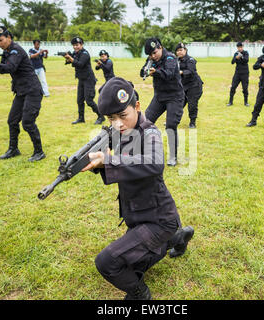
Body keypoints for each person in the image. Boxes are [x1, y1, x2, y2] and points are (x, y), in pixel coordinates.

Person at [80, 77, 194, 300]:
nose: (118, 124)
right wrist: (85, 161)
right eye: (111, 118)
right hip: (141, 215)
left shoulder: (149, 131)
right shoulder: (119, 131)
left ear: (137, 107)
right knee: (133, 261)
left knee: (108, 262)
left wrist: (108, 160)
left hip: (159, 219)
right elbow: (102, 146)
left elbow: (154, 162)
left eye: (123, 116)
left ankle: (140, 294)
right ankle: (178, 237)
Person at [0, 26, 45, 162]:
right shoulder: (7, 52)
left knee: (27, 122)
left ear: (9, 37)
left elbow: (10, 67)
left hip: (32, 90)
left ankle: (39, 152)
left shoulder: (16, 50)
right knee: (12, 120)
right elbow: (3, 70)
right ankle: (13, 149)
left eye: (0, 40)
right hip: (21, 91)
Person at [140, 38, 185, 166]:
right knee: (145, 122)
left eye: (154, 53)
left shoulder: (170, 58)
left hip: (174, 97)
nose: (153, 56)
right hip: (159, 97)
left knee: (171, 125)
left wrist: (156, 72)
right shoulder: (151, 60)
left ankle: (173, 156)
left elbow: (169, 73)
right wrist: (145, 70)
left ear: (160, 47)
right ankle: (144, 152)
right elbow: (142, 71)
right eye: (150, 54)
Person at [63, 37, 105, 125]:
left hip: (89, 79)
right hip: (81, 79)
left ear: (81, 45)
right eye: (74, 45)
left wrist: (70, 58)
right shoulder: (76, 53)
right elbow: (70, 62)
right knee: (79, 100)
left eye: (77, 45)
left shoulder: (85, 54)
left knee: (89, 100)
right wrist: (67, 58)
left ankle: (101, 116)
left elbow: (80, 64)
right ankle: (81, 118)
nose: (75, 47)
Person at [175, 42, 203, 129]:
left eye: (181, 50)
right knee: (179, 104)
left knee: (192, 104)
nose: (179, 52)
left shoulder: (190, 60)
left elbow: (191, 71)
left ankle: (192, 122)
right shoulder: (176, 60)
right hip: (183, 86)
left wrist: (181, 72)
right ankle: (174, 120)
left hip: (194, 86)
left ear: (185, 50)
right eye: (177, 51)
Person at [227, 42, 250, 107]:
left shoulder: (246, 53)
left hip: (245, 73)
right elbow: (232, 62)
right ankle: (230, 102)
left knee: (245, 88)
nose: (240, 48)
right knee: (233, 87)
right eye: (238, 47)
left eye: (241, 47)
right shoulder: (236, 53)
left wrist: (241, 57)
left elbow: (246, 60)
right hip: (237, 73)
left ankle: (246, 102)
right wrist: (236, 58)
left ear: (243, 47)